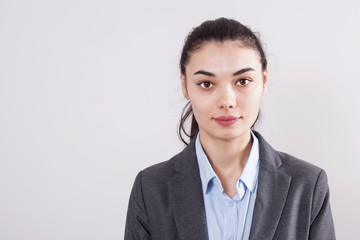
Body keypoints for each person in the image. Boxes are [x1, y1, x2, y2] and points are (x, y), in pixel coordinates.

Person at [124, 18, 335, 240]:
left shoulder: (308, 185)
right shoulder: (149, 189)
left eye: (243, 81)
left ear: (263, 81)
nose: (227, 101)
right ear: (185, 85)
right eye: (207, 84)